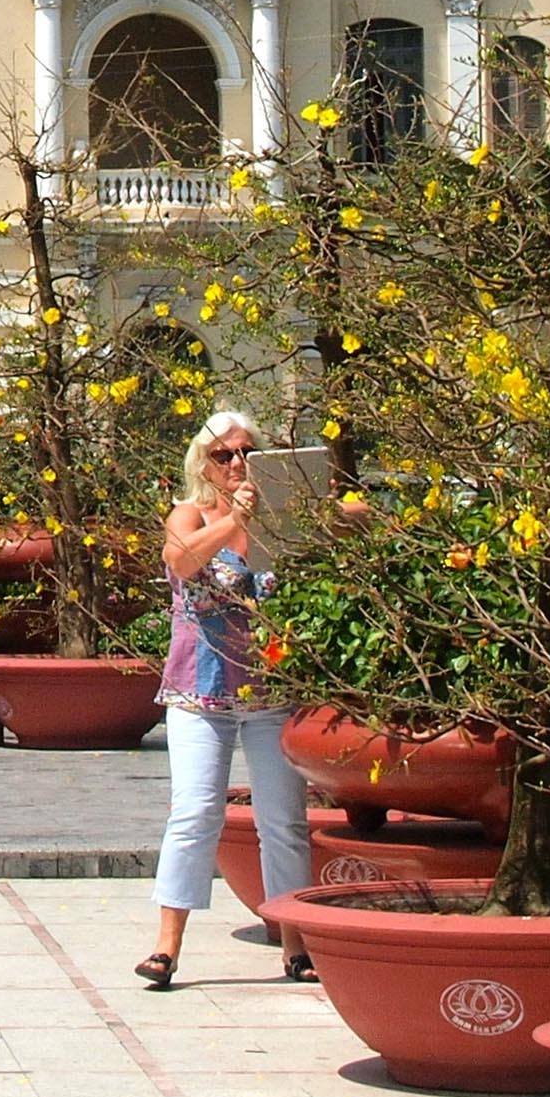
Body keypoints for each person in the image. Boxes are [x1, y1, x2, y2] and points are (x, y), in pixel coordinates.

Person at [136, 409, 315, 990]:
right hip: (200, 690)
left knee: (283, 821)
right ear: (203, 464)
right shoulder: (193, 513)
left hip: (270, 690)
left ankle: (295, 944)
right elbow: (179, 558)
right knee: (194, 813)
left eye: (245, 453)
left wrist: (321, 505)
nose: (236, 463)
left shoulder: (279, 520)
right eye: (223, 454)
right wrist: (233, 520)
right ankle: (167, 946)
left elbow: (354, 523)